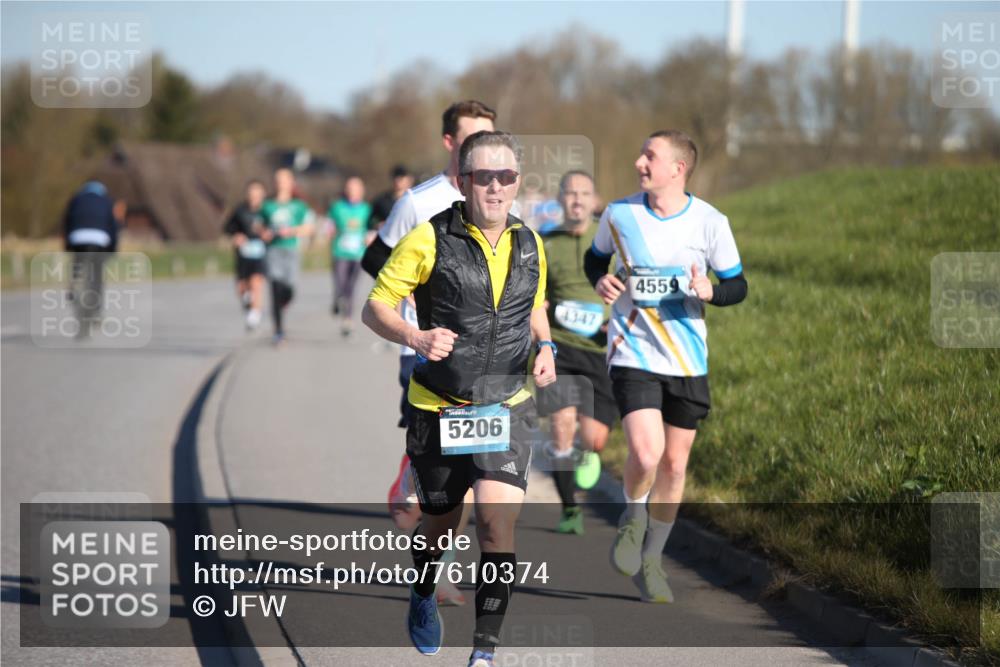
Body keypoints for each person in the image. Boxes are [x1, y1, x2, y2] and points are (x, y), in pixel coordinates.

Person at [363, 131, 556, 667]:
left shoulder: (530, 242)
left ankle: (484, 654)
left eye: (506, 177)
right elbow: (376, 306)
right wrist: (415, 338)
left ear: (517, 182)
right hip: (440, 406)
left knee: (496, 522)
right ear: (464, 181)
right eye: (484, 177)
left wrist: (548, 346)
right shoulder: (428, 239)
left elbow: (534, 306)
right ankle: (423, 590)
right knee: (441, 523)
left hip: (507, 406)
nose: (496, 188)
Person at [584, 130, 748, 602]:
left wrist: (710, 292)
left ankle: (653, 560)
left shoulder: (710, 222)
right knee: (648, 453)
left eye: (649, 156)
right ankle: (632, 517)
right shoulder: (619, 214)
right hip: (633, 351)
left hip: (688, 359)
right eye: (640, 154)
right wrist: (603, 284)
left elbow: (738, 285)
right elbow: (595, 261)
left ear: (677, 168)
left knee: (675, 467)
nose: (639, 162)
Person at [362, 101, 502, 601]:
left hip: (485, 362)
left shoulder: (501, 198)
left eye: (492, 138)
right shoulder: (418, 202)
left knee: (473, 466)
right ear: (450, 143)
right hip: (422, 354)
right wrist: (413, 316)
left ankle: (416, 496)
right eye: (473, 140)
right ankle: (433, 552)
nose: (485, 151)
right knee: (451, 462)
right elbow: (374, 263)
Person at [536, 170, 618, 535]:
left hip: (600, 349)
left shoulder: (612, 240)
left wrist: (616, 318)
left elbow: (632, 283)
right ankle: (570, 508)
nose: (577, 200)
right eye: (570, 193)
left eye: (585, 193)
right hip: (561, 347)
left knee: (595, 438)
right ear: (560, 199)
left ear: (595, 200)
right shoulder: (545, 242)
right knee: (560, 426)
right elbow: (535, 296)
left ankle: (590, 452)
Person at [259, 168, 316, 345]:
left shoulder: (299, 205)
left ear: (291, 183)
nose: (280, 183)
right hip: (273, 251)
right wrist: (264, 233)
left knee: (289, 290)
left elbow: (309, 228)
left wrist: (291, 231)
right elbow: (258, 226)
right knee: (275, 288)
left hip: (291, 250)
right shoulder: (267, 205)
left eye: (284, 179)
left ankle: (283, 304)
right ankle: (279, 331)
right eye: (277, 179)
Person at [62, 180, 120, 337]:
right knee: (97, 277)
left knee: (79, 263)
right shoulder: (107, 201)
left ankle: (75, 280)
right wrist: (113, 249)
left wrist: (67, 244)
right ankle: (96, 311)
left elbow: (67, 221)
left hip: (77, 238)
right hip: (98, 239)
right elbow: (113, 227)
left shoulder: (76, 199)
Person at [328, 175, 372, 338]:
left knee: (351, 288)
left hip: (358, 253)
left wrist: (369, 236)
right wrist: (330, 230)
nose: (353, 191)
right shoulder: (337, 207)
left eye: (356, 188)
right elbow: (329, 224)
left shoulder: (367, 209)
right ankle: (337, 298)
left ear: (361, 190)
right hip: (340, 252)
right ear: (346, 190)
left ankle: (347, 320)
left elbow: (370, 228)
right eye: (350, 187)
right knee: (340, 283)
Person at [224, 179, 268, 330]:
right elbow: (228, 228)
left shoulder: (267, 210)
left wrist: (268, 234)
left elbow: (275, 228)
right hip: (244, 253)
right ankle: (247, 301)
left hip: (261, 252)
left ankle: (254, 315)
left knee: (256, 283)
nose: (254, 197)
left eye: (257, 194)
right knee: (242, 287)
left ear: (263, 195)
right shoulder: (240, 211)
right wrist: (236, 236)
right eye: (252, 194)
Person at [369, 164, 413, 229]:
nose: (398, 180)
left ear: (409, 179)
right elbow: (369, 220)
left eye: (401, 177)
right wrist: (377, 225)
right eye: (396, 176)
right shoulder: (382, 200)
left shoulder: (415, 199)